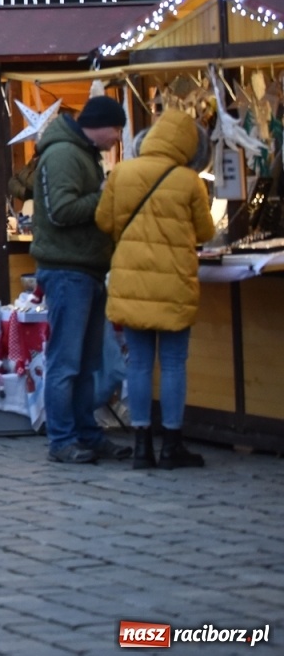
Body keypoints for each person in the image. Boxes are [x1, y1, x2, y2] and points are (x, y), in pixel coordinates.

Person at [96, 109, 216, 470]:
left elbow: (103, 220)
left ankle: (142, 445)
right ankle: (172, 444)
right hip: (173, 283)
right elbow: (206, 232)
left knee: (141, 364)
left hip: (131, 282)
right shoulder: (188, 180)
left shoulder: (123, 173)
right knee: (175, 363)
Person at [33, 95, 127, 465]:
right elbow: (61, 210)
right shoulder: (63, 155)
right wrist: (103, 197)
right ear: (101, 125)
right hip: (67, 270)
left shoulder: (81, 153)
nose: (117, 138)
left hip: (85, 268)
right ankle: (62, 439)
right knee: (67, 363)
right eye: (117, 129)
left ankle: (86, 434)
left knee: (86, 364)